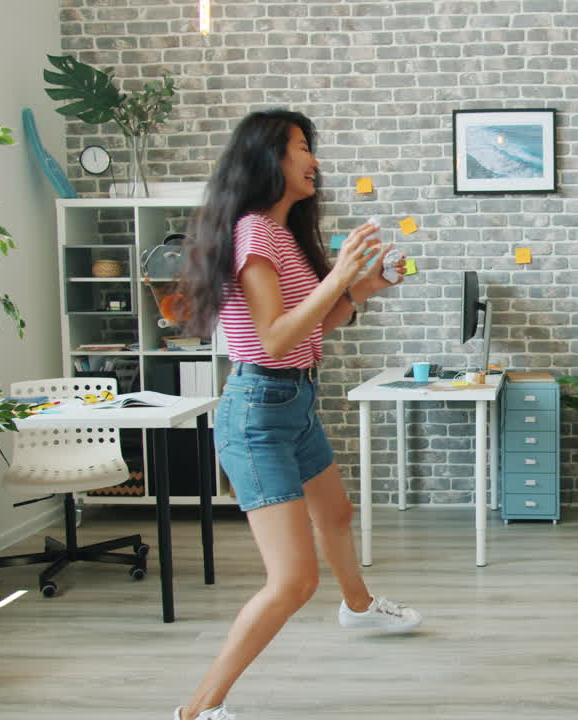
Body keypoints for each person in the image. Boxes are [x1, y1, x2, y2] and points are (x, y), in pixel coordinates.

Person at [173, 109, 420, 720]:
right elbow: (274, 339)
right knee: (293, 581)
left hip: (294, 401)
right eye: (302, 146)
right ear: (269, 158)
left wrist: (363, 289)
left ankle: (358, 608)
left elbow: (311, 329)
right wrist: (340, 276)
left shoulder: (280, 233)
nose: (314, 160)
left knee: (335, 514)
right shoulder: (254, 232)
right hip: (258, 411)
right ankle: (197, 709)